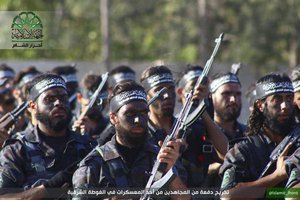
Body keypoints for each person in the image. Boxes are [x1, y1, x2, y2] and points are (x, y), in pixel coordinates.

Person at [73, 80, 190, 200]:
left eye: (143, 113)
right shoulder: (94, 165)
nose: (138, 120)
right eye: (130, 114)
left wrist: (168, 171)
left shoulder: (160, 157)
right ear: (113, 118)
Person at [0, 73, 94, 199]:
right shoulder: (17, 149)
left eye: (63, 98)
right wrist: (46, 189)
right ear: (33, 106)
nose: (58, 103)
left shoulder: (88, 146)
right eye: (50, 99)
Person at [141, 65, 228, 188]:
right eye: (159, 91)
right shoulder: (141, 132)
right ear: (146, 96)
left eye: (170, 89)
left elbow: (226, 153)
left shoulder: (191, 126)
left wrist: (200, 109)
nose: (167, 95)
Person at [219, 73, 298, 199]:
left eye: (289, 98)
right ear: (260, 105)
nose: (285, 106)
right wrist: (276, 176)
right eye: (277, 100)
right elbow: (227, 196)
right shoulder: (243, 150)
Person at [205, 72, 247, 188]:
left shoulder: (249, 133)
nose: (233, 99)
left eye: (237, 94)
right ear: (210, 96)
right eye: (226, 94)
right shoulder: (199, 133)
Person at [72, 73, 109, 138]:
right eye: (94, 104)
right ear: (79, 98)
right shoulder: (67, 123)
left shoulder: (111, 126)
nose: (99, 108)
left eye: (103, 103)